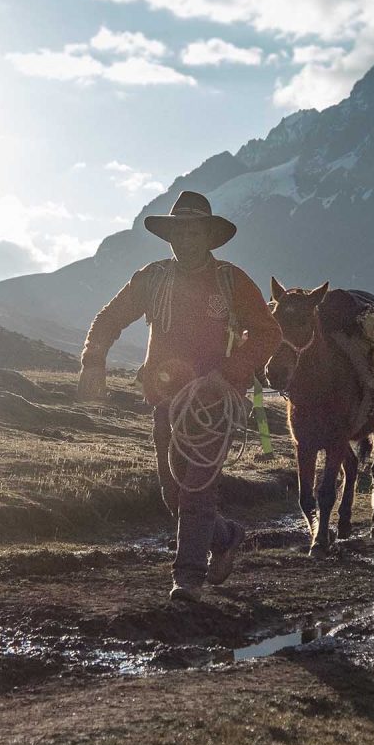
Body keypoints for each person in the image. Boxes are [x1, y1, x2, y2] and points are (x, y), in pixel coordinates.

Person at [78, 191, 281, 602]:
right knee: (174, 496)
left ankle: (187, 578)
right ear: (169, 235)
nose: (185, 239)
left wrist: (229, 372)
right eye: (178, 231)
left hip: (214, 403)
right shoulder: (151, 279)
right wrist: (93, 361)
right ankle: (225, 536)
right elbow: (110, 318)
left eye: (194, 231)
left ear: (208, 235)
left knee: (196, 490)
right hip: (165, 400)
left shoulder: (232, 280)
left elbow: (268, 332)